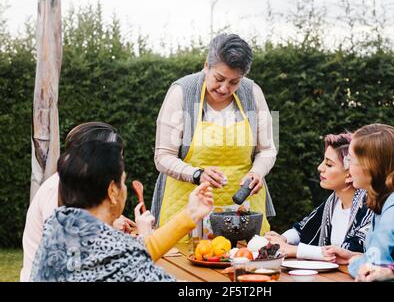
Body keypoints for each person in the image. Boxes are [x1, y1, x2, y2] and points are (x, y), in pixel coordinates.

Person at [31, 139, 214, 281]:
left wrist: (190, 213)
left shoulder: (56, 226)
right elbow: (128, 257)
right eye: (123, 181)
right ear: (112, 191)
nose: (124, 189)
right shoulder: (121, 254)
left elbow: (132, 253)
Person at [151, 33, 277, 240]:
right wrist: (197, 174)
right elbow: (163, 156)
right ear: (206, 66)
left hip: (244, 209)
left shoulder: (253, 93)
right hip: (187, 208)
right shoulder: (181, 92)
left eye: (234, 82)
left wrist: (257, 172)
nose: (224, 88)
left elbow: (267, 149)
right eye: (219, 78)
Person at [21, 122, 136, 282]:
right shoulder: (57, 189)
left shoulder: (76, 184)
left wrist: (110, 224)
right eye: (116, 156)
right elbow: (73, 252)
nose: (119, 164)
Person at [323, 123, 394, 278]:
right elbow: (387, 261)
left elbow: (371, 269)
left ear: (371, 166)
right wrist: (352, 256)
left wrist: (355, 262)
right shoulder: (388, 199)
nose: (348, 168)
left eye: (351, 161)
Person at [265, 133, 373, 260]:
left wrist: (293, 250)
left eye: (329, 164)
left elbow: (348, 253)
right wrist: (282, 238)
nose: (320, 168)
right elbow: (303, 228)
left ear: (349, 175)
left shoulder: (369, 207)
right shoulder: (333, 202)